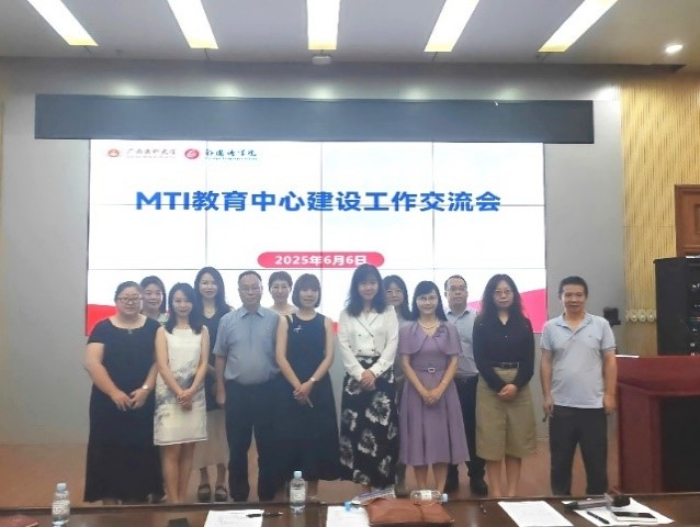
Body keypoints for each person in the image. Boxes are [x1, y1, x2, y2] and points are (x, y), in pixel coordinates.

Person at [83, 281, 163, 504]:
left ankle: (137, 497)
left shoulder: (154, 327)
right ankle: (108, 500)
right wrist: (114, 392)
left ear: (141, 301)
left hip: (142, 402)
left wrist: (146, 389)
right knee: (107, 450)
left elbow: (159, 362)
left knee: (140, 450)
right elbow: (92, 363)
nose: (130, 302)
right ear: (116, 301)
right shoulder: (102, 328)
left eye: (135, 298)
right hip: (107, 403)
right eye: (125, 298)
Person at [541, 276, 617, 496]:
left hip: (593, 406)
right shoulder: (550, 327)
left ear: (586, 297)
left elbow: (610, 361)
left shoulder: (601, 325)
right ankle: (561, 504)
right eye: (568, 295)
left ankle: (597, 505)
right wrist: (547, 395)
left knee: (596, 464)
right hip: (561, 406)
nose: (573, 299)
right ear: (560, 297)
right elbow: (545, 361)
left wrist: (610, 394)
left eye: (578, 295)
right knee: (560, 463)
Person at [214, 270, 282, 502]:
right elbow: (220, 357)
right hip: (237, 392)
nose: (250, 292)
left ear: (262, 290)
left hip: (267, 391)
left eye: (255, 287)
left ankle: (267, 493)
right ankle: (239, 495)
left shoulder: (274, 319)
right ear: (239, 291)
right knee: (237, 448)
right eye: (246, 288)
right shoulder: (227, 321)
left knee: (268, 446)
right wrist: (221, 389)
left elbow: (281, 355)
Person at [399, 280, 469, 492]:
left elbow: (454, 361)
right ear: (415, 301)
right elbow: (405, 363)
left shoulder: (449, 328)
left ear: (438, 300)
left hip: (444, 390)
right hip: (415, 391)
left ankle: (438, 491)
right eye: (423, 298)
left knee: (441, 440)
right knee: (417, 441)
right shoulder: (407, 329)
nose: (427, 302)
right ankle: (422, 490)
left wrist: (439, 389)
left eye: (431, 297)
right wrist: (422, 391)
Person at [275, 273, 340, 500]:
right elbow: (280, 357)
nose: (309, 294)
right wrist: (298, 386)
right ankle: (291, 490)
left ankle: (313, 493)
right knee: (291, 438)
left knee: (316, 439)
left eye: (313, 290)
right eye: (304, 289)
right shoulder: (286, 321)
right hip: (290, 389)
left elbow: (329, 357)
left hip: (319, 388)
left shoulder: (326, 321)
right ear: (297, 293)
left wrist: (310, 383)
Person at [473, 274, 536, 497]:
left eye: (507, 291)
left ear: (514, 294)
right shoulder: (481, 322)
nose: (503, 296)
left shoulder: (524, 323)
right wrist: (500, 385)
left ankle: (511, 494)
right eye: (498, 292)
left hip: (519, 385)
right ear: (490, 295)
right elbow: (479, 359)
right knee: (491, 441)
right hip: (490, 385)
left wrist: (515, 385)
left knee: (516, 442)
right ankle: (497, 494)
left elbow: (529, 361)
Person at [338, 263, 399, 491]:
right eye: (363, 283)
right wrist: (360, 373)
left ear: (378, 285)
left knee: (381, 434)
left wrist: (373, 372)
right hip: (355, 380)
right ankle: (365, 490)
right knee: (357, 434)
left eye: (372, 282)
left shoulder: (388, 311)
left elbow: (392, 344)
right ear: (356, 286)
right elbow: (344, 347)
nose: (368, 287)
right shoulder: (346, 313)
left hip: (382, 375)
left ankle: (384, 489)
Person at [154, 283, 209, 503]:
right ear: (171, 303)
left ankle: (182, 499)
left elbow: (204, 363)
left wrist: (191, 391)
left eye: (187, 300)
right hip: (169, 398)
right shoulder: (163, 331)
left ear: (193, 303)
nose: (182, 305)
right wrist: (180, 393)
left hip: (195, 396)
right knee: (171, 451)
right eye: (178, 300)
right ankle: (173, 501)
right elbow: (162, 365)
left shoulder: (202, 330)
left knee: (188, 450)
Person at [443, 275, 488, 496]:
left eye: (461, 288)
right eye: (453, 289)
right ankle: (451, 475)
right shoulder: (439, 319)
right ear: (446, 294)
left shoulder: (478, 318)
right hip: (446, 384)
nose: (458, 292)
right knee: (448, 430)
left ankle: (476, 475)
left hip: (473, 382)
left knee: (473, 431)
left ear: (467, 292)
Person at [192, 267, 231, 503]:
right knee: (201, 431)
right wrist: (211, 372)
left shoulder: (228, 312)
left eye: (213, 282)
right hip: (197, 379)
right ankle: (204, 478)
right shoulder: (191, 312)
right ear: (198, 285)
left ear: (219, 286)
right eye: (204, 282)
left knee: (222, 432)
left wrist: (220, 377)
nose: (209, 287)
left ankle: (221, 480)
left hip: (224, 380)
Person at [383, 274, 412, 494]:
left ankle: (401, 477)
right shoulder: (377, 318)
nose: (394, 295)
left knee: (404, 431)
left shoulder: (412, 321)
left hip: (409, 382)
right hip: (382, 381)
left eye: (398, 290)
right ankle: (384, 477)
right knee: (383, 430)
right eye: (389, 291)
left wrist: (404, 378)